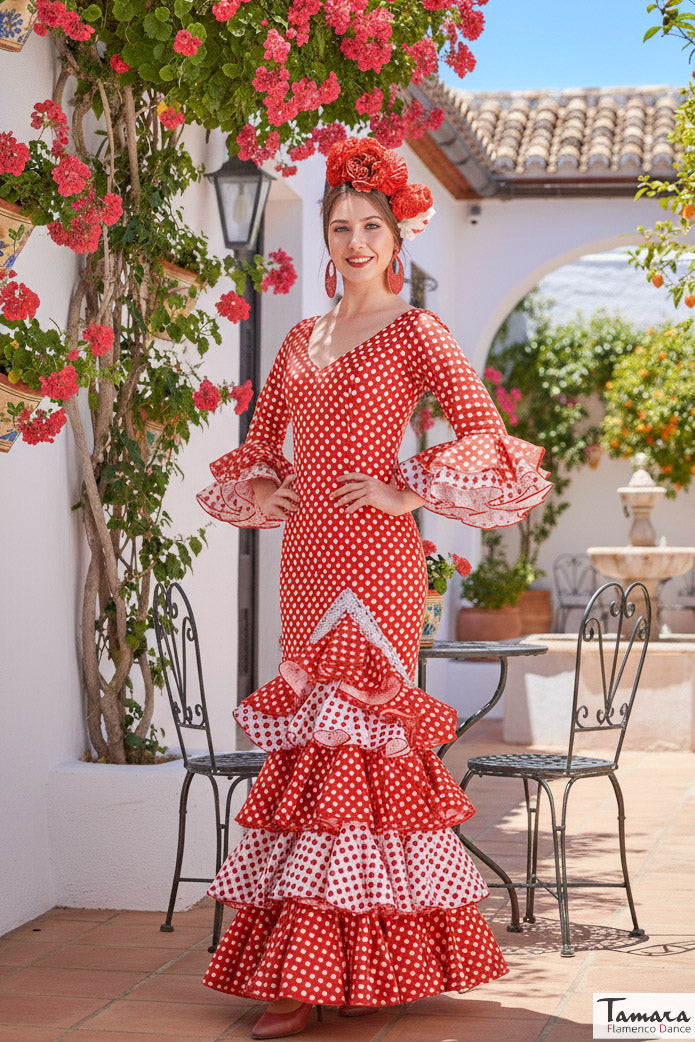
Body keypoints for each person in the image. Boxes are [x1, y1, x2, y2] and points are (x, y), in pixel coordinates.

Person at [196, 136, 552, 1040]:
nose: (355, 242)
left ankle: (324, 976)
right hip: (308, 559)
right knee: (308, 751)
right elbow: (265, 438)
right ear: (325, 237)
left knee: (357, 749)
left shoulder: (415, 330)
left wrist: (406, 488)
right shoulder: (300, 342)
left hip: (378, 563)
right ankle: (312, 963)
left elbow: (482, 431)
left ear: (397, 239)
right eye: (341, 227)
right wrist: (269, 487)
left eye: (370, 228)